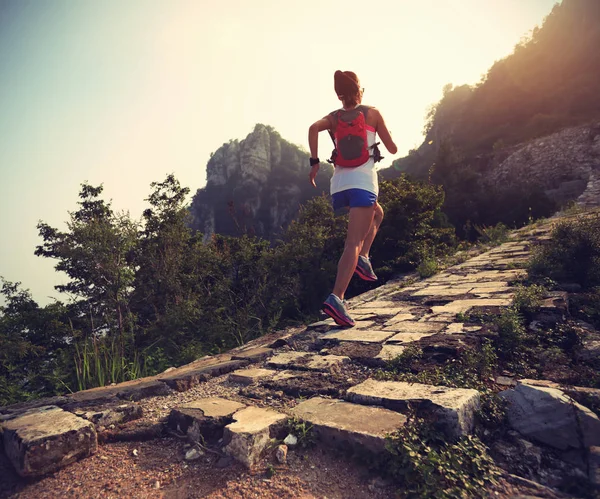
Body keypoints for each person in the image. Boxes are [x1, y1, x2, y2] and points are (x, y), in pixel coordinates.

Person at [308, 70, 398, 327]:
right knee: (353, 243)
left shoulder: (334, 118)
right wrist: (381, 133)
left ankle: (364, 258)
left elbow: (313, 128)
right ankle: (337, 298)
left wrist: (314, 162)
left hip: (339, 185)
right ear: (360, 90)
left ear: (339, 95)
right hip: (362, 182)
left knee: (377, 214)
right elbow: (392, 149)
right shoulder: (373, 113)